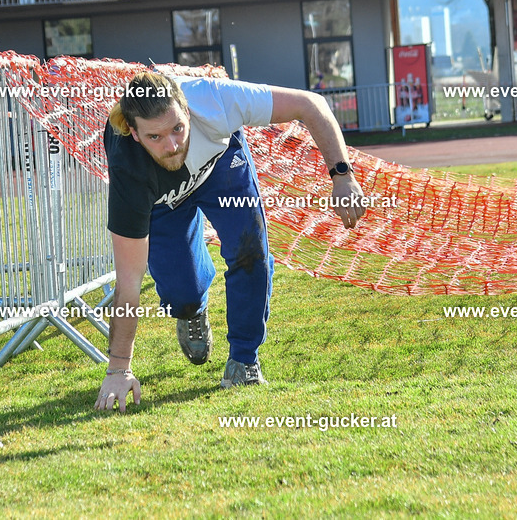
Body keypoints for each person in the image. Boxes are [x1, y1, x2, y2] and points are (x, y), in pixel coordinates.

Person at [95, 71, 368, 413]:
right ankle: (192, 308)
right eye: (155, 136)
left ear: (188, 110)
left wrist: (342, 176)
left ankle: (244, 360)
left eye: (178, 128)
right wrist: (119, 369)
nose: (172, 145)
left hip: (220, 168)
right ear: (134, 134)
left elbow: (310, 104)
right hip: (162, 199)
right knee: (181, 293)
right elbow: (129, 284)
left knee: (250, 249)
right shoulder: (129, 171)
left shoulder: (216, 99)